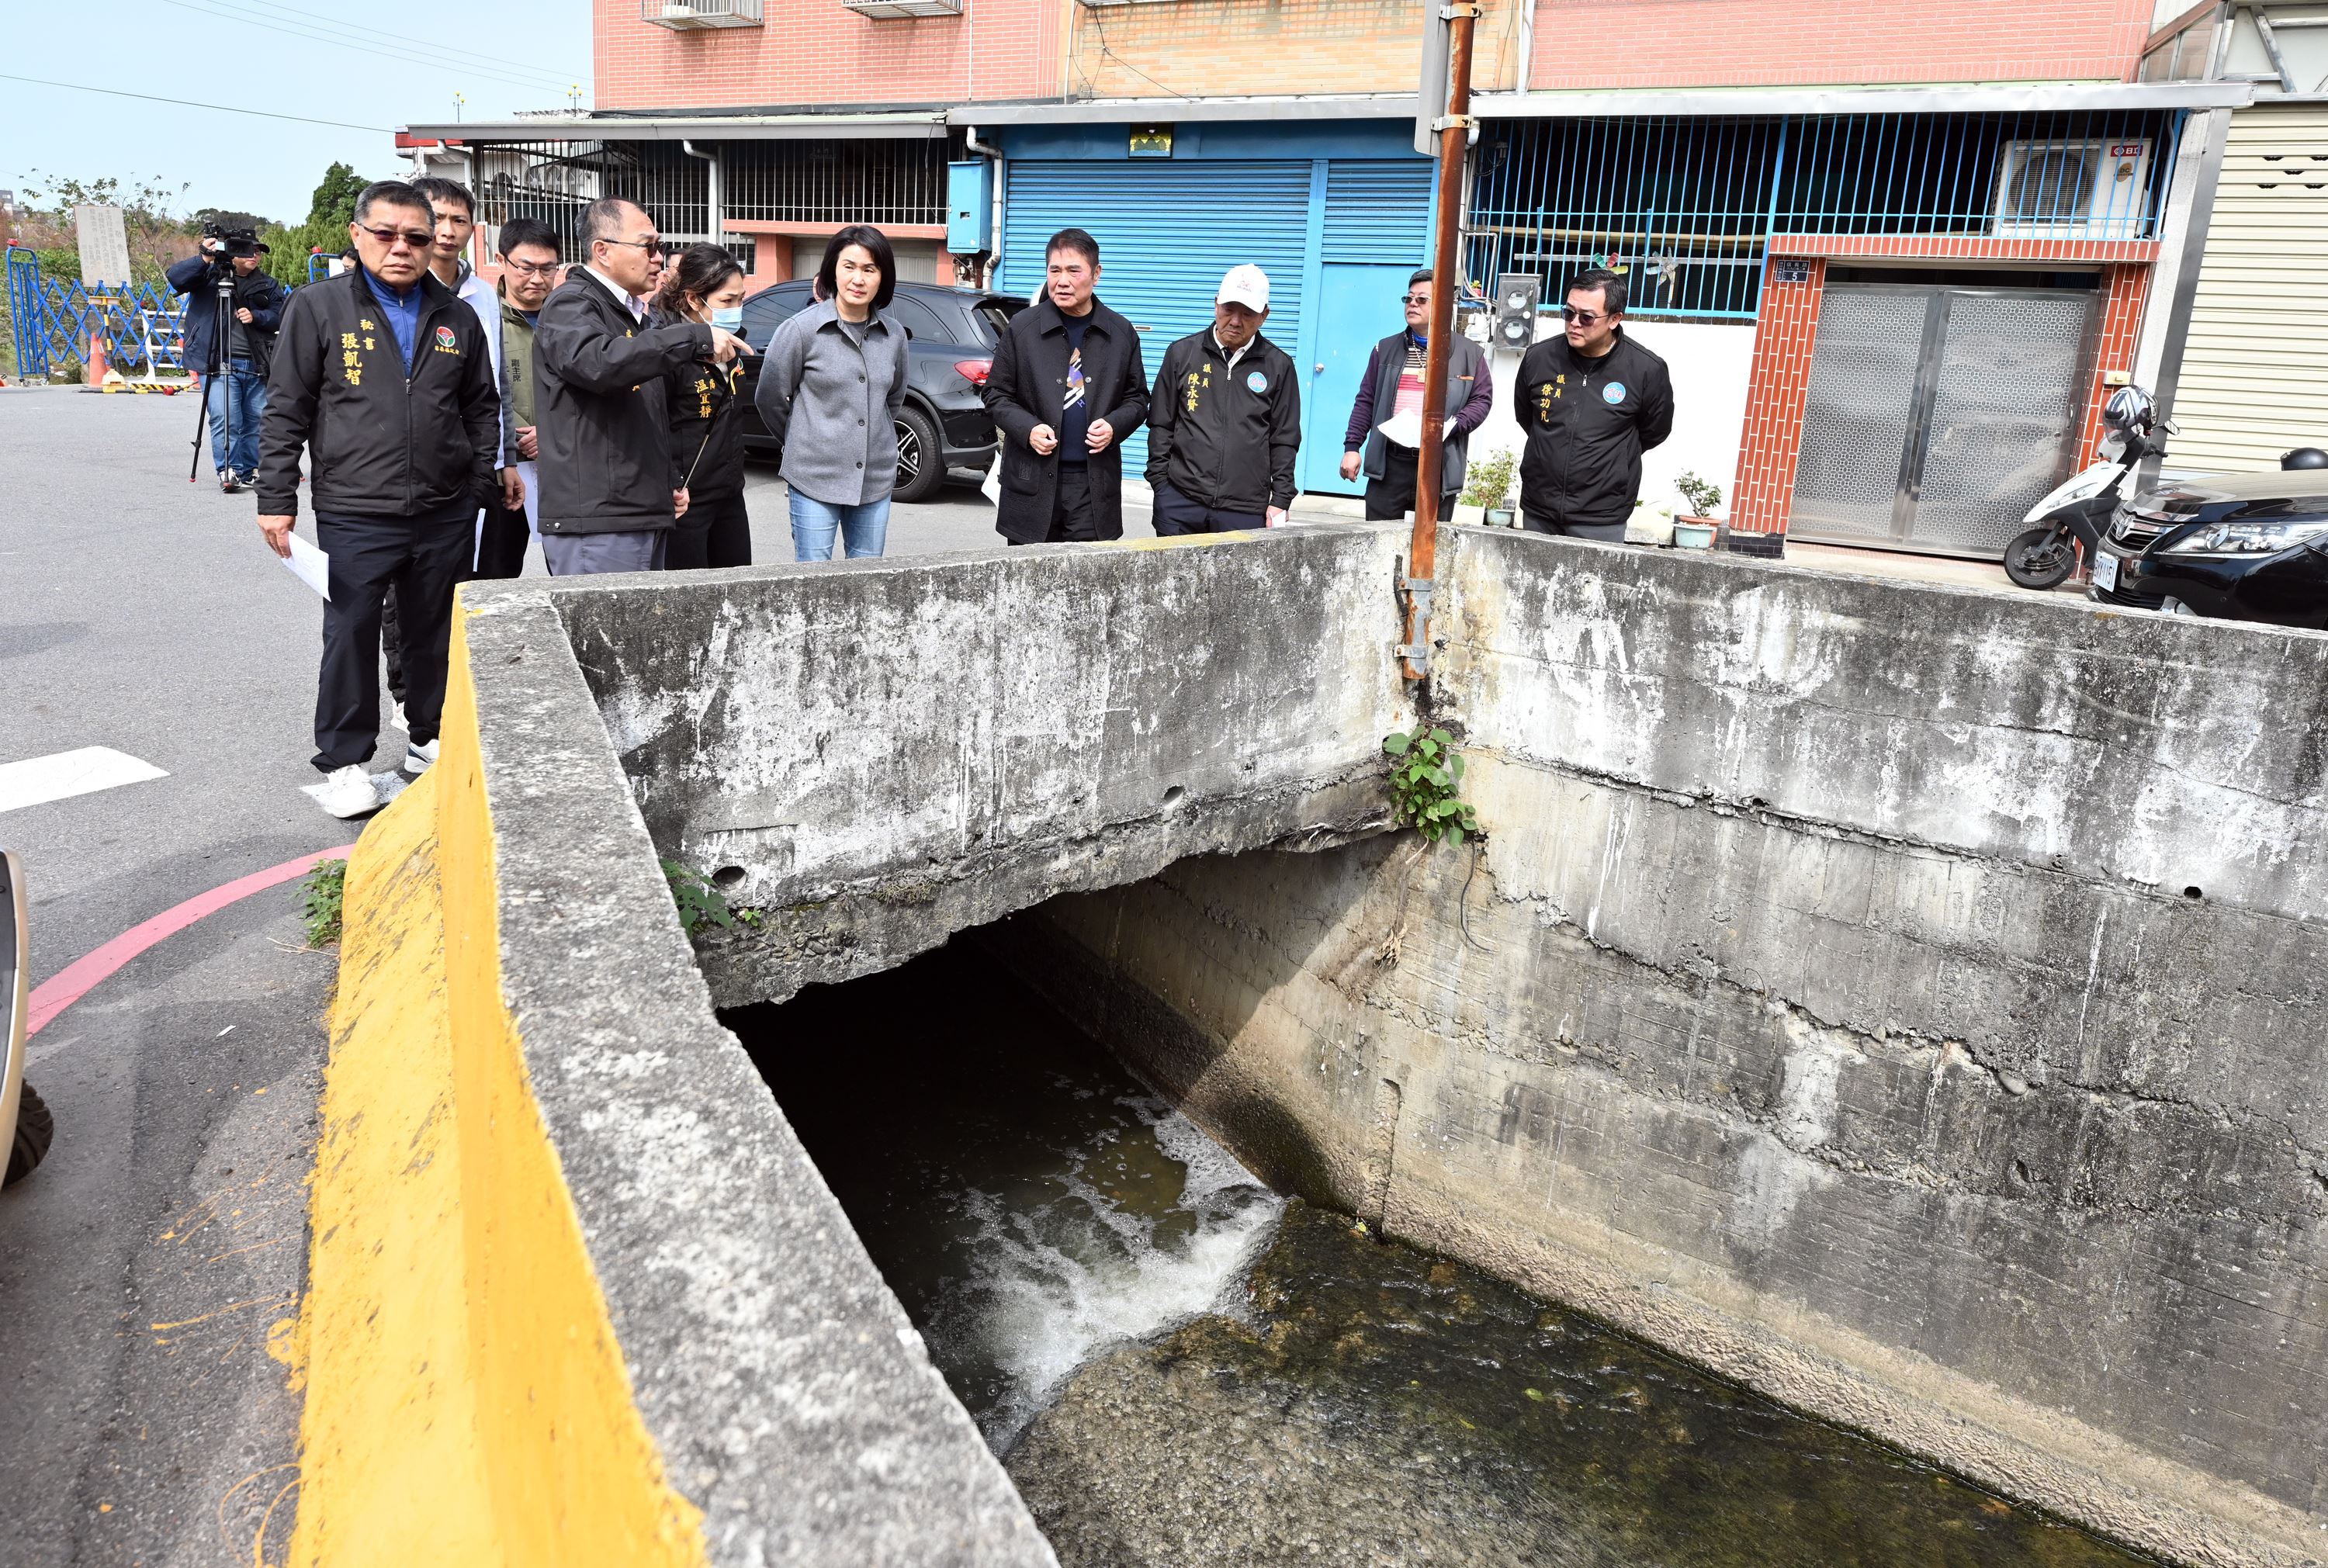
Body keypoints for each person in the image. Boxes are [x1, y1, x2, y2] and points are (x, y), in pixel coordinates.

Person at [253, 180, 501, 819]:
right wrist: (275, 496)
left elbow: (481, 407)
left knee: (432, 633)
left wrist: (474, 486)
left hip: (444, 508)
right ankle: (344, 759)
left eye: (416, 237)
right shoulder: (318, 307)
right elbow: (286, 410)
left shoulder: (457, 316)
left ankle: (427, 738)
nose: (402, 248)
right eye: (386, 234)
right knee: (352, 633)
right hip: (357, 509)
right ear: (359, 236)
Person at [533, 197, 750, 575]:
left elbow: (649, 417)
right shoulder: (571, 305)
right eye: (648, 246)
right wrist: (693, 338)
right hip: (601, 520)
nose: (658, 258)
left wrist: (667, 480)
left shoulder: (632, 317)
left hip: (641, 510)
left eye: (660, 247)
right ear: (602, 250)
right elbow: (599, 363)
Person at [982, 228, 1149, 545]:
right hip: (1032, 480)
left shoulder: (1120, 333)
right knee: (1027, 581)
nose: (1062, 280)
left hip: (1093, 484)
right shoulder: (1023, 328)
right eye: (1054, 270)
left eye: (1074, 270)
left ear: (1096, 274)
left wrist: (1115, 426)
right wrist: (1028, 429)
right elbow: (995, 394)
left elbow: (1137, 398)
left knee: (1088, 583)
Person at [756, 226, 908, 561]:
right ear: (832, 270)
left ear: (883, 277)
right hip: (813, 477)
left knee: (867, 581)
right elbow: (770, 398)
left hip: (875, 479)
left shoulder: (894, 335)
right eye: (849, 267)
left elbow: (892, 401)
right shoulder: (800, 330)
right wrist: (804, 439)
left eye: (870, 269)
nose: (859, 279)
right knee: (814, 579)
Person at [1514, 268, 1675, 542]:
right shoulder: (1538, 358)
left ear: (1614, 319)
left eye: (1586, 317)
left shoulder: (1646, 370)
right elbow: (1527, 417)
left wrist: (1612, 462)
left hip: (1601, 516)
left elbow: (1654, 430)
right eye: (1568, 313)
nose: (1574, 323)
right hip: (1539, 508)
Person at [1144, 264, 1300, 533]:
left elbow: (1284, 438)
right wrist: (1161, 484)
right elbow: (1161, 423)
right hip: (1181, 501)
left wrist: (1281, 498)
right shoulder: (1182, 354)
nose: (1236, 321)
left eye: (1248, 313)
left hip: (1245, 510)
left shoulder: (1279, 366)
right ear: (1216, 305)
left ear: (1264, 316)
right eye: (1229, 309)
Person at [1339, 268, 1492, 522]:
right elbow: (1366, 401)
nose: (1412, 304)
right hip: (1391, 462)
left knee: (1431, 549)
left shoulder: (1469, 354)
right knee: (1379, 543)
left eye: (1422, 300)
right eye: (1408, 299)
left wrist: (1452, 426)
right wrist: (1352, 447)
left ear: (1442, 304)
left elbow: (1482, 401)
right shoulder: (1384, 349)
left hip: (1437, 464)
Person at [656, 244, 754, 569]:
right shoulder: (666, 348)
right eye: (727, 301)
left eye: (740, 298)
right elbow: (652, 423)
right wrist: (670, 482)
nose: (736, 308)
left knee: (737, 590)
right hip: (686, 499)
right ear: (694, 300)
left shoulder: (733, 341)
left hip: (729, 491)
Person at [168, 231, 289, 493]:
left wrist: (257, 316)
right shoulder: (208, 276)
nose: (255, 255)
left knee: (256, 418)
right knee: (226, 417)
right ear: (232, 252)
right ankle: (228, 469)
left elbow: (282, 315)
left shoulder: (267, 284)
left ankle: (250, 469)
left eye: (259, 251)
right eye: (249, 250)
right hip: (216, 360)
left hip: (257, 361)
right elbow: (175, 277)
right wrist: (204, 257)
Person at [475, 218, 561, 579]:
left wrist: (554, 433)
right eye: (527, 267)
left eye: (548, 269)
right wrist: (517, 436)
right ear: (502, 260)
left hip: (560, 470)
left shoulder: (570, 319)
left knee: (572, 577)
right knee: (495, 573)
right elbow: (474, 392)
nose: (537, 279)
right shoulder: (480, 317)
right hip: (503, 472)